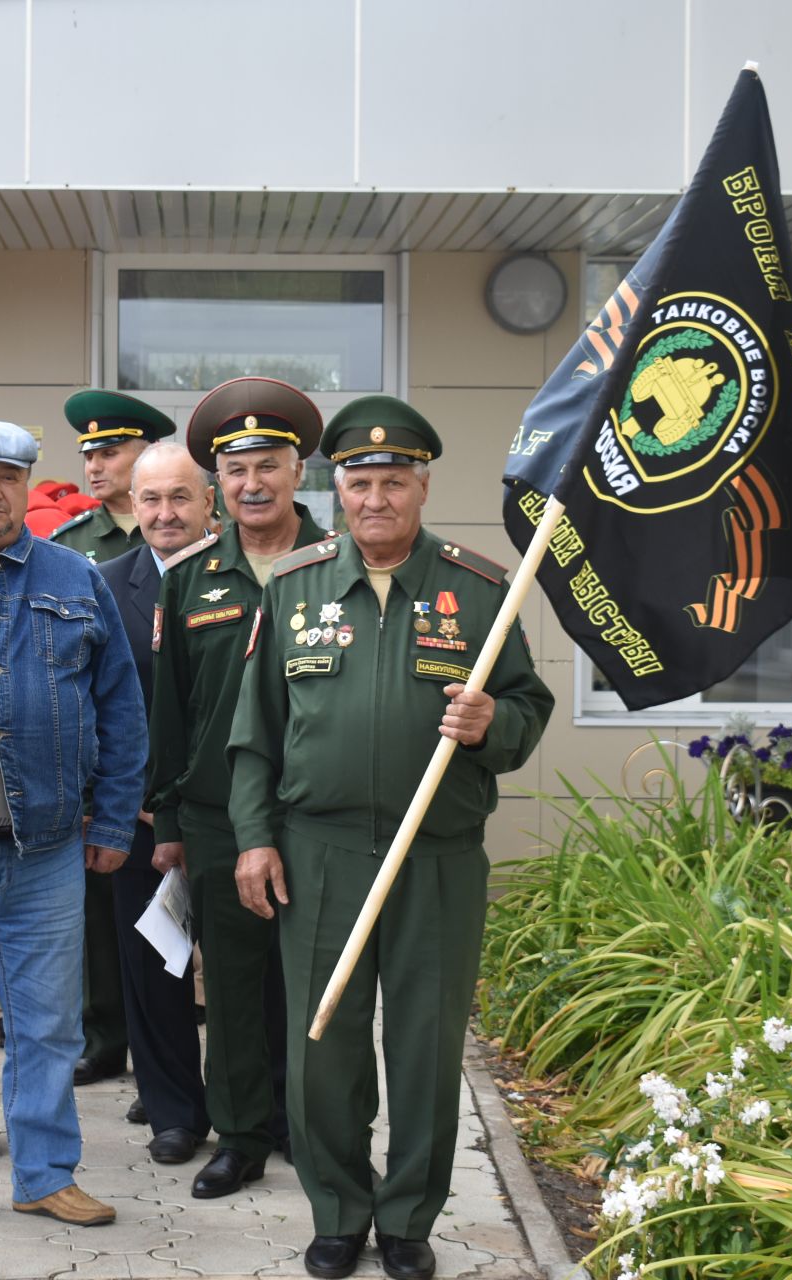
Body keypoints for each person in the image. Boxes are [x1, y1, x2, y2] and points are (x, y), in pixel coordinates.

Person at [227, 396, 554, 1280]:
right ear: (337, 487)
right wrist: (254, 840)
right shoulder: (294, 587)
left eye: (394, 482)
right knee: (322, 1046)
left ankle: (408, 1219)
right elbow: (254, 733)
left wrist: (493, 721)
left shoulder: (479, 589)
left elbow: (529, 707)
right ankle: (338, 1211)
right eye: (359, 482)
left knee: (425, 1043)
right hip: (318, 854)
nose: (376, 499)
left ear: (422, 486)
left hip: (436, 858)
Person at [0, 418, 145, 1234]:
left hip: (49, 845)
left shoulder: (77, 577)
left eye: (9, 476)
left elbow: (121, 706)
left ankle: (45, 1173)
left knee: (49, 1024)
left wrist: (113, 817)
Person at [147, 376, 331, 1199]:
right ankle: (243, 1134)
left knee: (321, 978)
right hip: (222, 816)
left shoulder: (342, 563)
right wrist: (170, 820)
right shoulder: (188, 579)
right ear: (217, 482)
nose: (251, 483)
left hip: (319, 814)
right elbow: (173, 708)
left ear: (298, 472)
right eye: (235, 469)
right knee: (231, 980)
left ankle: (317, 1127)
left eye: (268, 465)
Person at [50, 388, 176, 1089]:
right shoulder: (72, 548)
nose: (96, 465)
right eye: (89, 454)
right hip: (102, 767)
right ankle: (106, 1037)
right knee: (102, 913)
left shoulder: (182, 540)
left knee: (171, 923)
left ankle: (169, 1049)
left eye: (111, 451)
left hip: (178, 765)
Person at [97, 442, 215, 1165]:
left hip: (231, 819)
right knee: (153, 969)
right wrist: (123, 797)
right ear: (132, 506)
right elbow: (91, 703)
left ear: (211, 504)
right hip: (136, 818)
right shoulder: (102, 585)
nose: (165, 513)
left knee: (243, 976)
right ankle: (175, 1110)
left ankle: (257, 1109)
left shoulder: (249, 582)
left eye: (180, 498)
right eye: (151, 499)